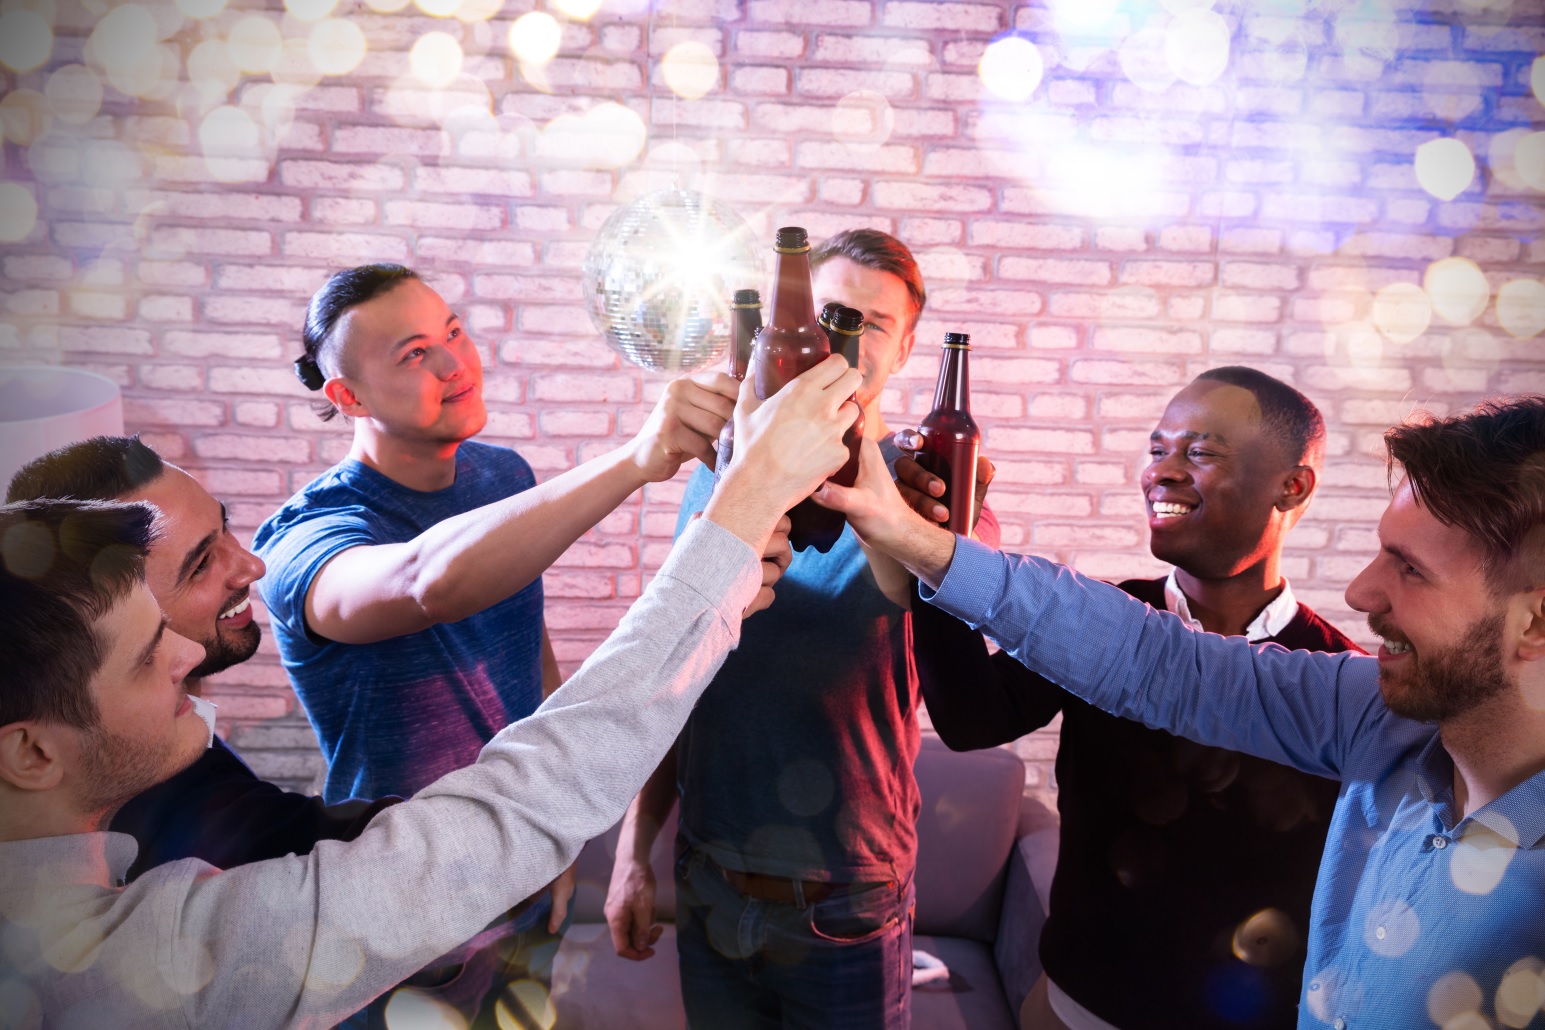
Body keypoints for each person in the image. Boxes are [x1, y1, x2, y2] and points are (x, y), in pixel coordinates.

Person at [0, 352, 863, 1029]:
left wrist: (511, 863)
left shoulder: (499, 472)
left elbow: (324, 826)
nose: (247, 567)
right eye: (150, 651)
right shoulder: (128, 962)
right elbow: (426, 584)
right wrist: (723, 516)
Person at [820, 396, 1545, 1029]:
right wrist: (928, 544)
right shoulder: (1370, 710)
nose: (1361, 591)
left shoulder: (1362, 679)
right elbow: (1154, 661)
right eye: (1157, 448)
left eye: (1411, 569)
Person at [252, 263, 742, 1024]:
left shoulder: (501, 475)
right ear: (345, 396)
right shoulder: (305, 539)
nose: (455, 364)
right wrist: (638, 458)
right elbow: (428, 584)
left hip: (521, 873)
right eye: (414, 354)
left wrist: (556, 833)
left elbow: (526, 647)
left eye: (453, 333)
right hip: (400, 910)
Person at [606, 229, 997, 1029]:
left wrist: (856, 458)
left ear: (907, 347)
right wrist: (631, 854)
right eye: (826, 315)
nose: (843, 336)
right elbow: (679, 680)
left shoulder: (929, 501)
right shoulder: (720, 484)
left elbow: (935, 580)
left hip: (844, 904)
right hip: (708, 879)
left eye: (871, 322)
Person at [904, 368, 1363, 1029]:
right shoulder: (1104, 623)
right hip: (1073, 1009)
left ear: (1291, 486)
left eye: (1199, 452)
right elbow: (973, 720)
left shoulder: (1337, 678)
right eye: (1156, 450)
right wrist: (940, 552)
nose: (1162, 472)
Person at [6, 435, 402, 882]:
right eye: (200, 565)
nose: (253, 566)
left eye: (225, 526)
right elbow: (371, 865)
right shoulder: (145, 785)